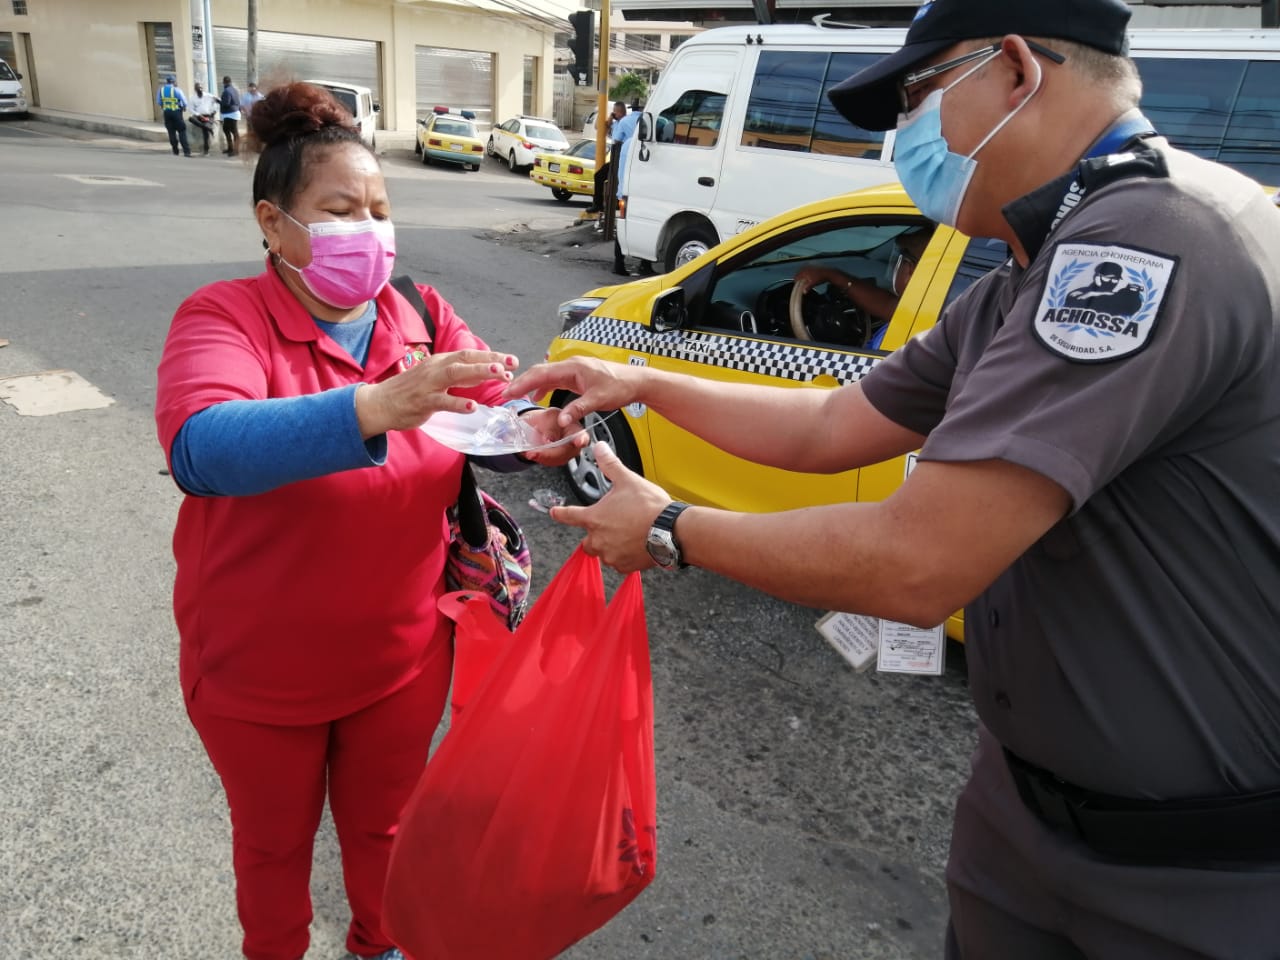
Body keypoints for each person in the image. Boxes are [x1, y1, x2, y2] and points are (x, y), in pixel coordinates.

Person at [506, 0, 1280, 956]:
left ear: (1016, 70)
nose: (903, 136)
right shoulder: (1028, 270)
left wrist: (669, 530)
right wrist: (644, 382)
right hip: (1027, 815)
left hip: (1192, 863)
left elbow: (915, 563)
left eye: (917, 97)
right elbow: (836, 423)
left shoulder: (1145, 241)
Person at [154, 82, 583, 960]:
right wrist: (377, 406)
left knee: (387, 831)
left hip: (401, 660)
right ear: (274, 224)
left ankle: (378, 944)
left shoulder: (417, 314)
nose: (370, 230)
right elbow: (200, 448)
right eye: (341, 210)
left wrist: (538, 429)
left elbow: (491, 411)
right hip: (259, 675)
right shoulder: (225, 316)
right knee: (272, 849)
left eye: (380, 211)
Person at [793, 226, 934, 348]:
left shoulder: (904, 336)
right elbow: (889, 305)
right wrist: (832, 275)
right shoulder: (929, 309)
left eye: (900, 261)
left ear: (910, 270)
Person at [608, 104, 643, 276]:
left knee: (623, 226)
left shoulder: (627, 143)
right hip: (636, 192)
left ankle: (619, 263)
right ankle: (643, 264)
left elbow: (615, 141)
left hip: (624, 191)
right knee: (636, 225)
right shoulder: (638, 146)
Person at [587, 100, 628, 215]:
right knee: (600, 176)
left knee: (610, 179)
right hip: (615, 156)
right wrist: (611, 117)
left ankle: (603, 205)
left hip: (621, 156)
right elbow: (600, 126)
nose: (613, 113)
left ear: (619, 112)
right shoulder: (616, 123)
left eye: (615, 111)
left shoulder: (624, 123)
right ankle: (599, 204)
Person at [156, 74, 191, 157]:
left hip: (166, 113)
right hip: (176, 113)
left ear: (167, 82)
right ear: (174, 82)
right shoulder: (176, 90)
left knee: (171, 132)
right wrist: (183, 106)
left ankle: (175, 151)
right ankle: (186, 151)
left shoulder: (161, 90)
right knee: (182, 131)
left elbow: (159, 102)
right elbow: (184, 101)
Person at [187, 80, 219, 155]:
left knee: (205, 132)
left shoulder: (209, 96)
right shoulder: (192, 98)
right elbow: (190, 109)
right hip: (199, 116)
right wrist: (198, 115)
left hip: (209, 116)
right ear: (195, 89)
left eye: (201, 88)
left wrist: (214, 112)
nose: (200, 89)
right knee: (191, 119)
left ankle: (206, 150)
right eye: (198, 88)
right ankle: (209, 128)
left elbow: (217, 103)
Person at [219, 75, 242, 156]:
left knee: (234, 132)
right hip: (233, 113)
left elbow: (226, 103)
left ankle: (235, 150)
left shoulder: (227, 91)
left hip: (230, 114)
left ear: (224, 82)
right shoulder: (234, 90)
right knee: (227, 130)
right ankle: (231, 148)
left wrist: (219, 101)